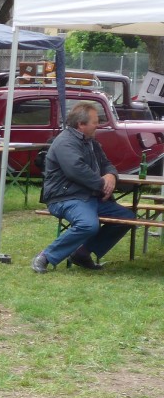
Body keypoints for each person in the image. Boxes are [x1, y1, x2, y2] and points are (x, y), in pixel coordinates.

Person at [31, 102, 135, 272]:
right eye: (95, 122)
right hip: (66, 197)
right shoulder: (65, 142)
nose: (98, 125)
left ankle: (83, 253)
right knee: (88, 224)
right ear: (81, 124)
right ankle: (45, 256)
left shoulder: (91, 142)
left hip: (89, 197)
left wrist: (110, 176)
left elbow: (107, 164)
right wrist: (103, 185)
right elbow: (76, 171)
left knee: (127, 218)